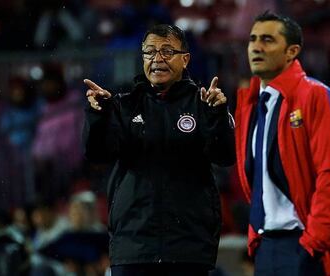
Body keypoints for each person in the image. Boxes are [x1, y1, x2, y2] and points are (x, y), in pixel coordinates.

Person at [82, 24, 235, 276]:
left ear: (185, 59)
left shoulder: (204, 103)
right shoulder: (124, 106)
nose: (157, 59)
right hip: (133, 246)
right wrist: (97, 115)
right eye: (150, 52)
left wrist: (216, 116)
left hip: (188, 247)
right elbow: (98, 154)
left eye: (166, 51)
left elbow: (225, 156)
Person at [234, 11, 330, 275]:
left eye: (268, 40)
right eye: (252, 39)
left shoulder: (317, 96)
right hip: (268, 248)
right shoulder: (251, 106)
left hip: (311, 246)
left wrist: (314, 244)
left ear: (292, 51)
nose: (256, 47)